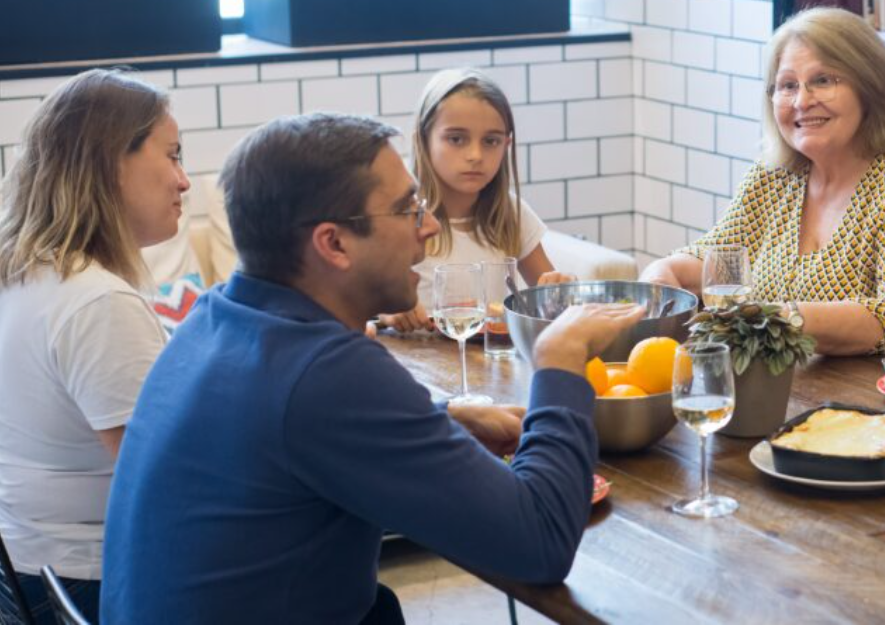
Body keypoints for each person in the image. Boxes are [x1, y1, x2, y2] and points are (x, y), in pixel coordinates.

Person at [100, 113, 643, 624]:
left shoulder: (215, 317)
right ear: (334, 243)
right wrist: (559, 359)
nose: (429, 225)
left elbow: (295, 429)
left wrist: (444, 417)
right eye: (408, 209)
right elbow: (541, 545)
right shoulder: (328, 371)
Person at [640, 7, 885, 355]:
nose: (802, 101)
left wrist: (778, 318)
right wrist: (662, 273)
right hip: (797, 382)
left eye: (823, 81)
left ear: (871, 88)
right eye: (788, 85)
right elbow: (722, 264)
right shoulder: (774, 175)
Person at [0, 69, 190, 623]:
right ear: (111, 163)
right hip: (88, 585)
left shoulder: (27, 273)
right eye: (172, 156)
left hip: (31, 572)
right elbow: (162, 484)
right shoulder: (96, 301)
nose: (184, 181)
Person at [379, 68, 571, 333]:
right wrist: (386, 310)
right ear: (423, 141)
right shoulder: (396, 218)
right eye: (456, 139)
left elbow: (552, 302)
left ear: (506, 145)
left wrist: (561, 291)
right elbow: (356, 304)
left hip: (490, 358)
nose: (475, 155)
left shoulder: (511, 214)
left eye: (491, 141)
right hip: (412, 357)